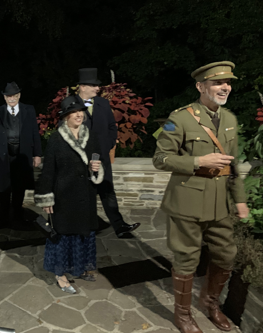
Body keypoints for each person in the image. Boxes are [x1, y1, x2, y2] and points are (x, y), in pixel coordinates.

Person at [153, 61, 249, 333]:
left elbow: (234, 163)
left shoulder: (229, 119)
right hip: (187, 201)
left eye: (228, 83)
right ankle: (182, 315)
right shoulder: (179, 118)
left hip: (220, 203)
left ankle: (210, 303)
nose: (224, 87)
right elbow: (160, 159)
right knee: (186, 259)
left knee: (226, 254)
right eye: (218, 83)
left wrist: (239, 199)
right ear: (201, 86)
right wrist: (197, 161)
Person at [34, 96, 103, 294]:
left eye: (81, 111)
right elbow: (48, 170)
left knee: (83, 234)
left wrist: (95, 169)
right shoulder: (56, 138)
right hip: (63, 196)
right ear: (65, 117)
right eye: (74, 112)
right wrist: (47, 197)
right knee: (63, 235)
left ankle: (79, 268)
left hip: (85, 195)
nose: (79, 115)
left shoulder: (91, 136)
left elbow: (97, 165)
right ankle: (60, 274)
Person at [75, 68, 140, 238]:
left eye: (98, 85)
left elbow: (112, 126)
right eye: (93, 85)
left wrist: (109, 144)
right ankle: (86, 229)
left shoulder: (103, 103)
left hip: (102, 156)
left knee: (107, 191)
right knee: (85, 194)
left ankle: (119, 227)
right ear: (82, 87)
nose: (98, 88)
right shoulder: (70, 103)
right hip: (80, 158)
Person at [0, 82, 42, 230]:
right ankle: (3, 218)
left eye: (14, 95)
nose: (11, 98)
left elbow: (34, 133)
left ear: (19, 96)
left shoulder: (28, 110)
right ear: (4, 97)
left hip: (22, 154)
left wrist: (37, 154)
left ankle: (18, 216)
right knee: (3, 188)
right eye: (8, 96)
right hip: (3, 155)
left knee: (20, 187)